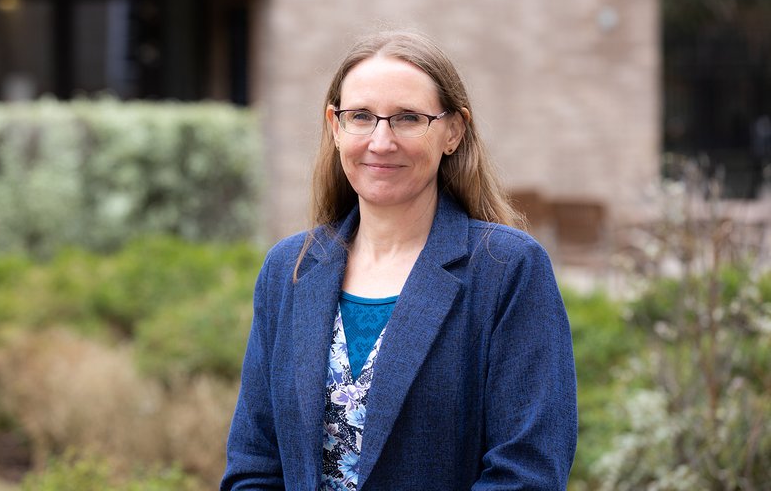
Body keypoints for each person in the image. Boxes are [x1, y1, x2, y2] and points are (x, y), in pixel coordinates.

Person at [221, 31, 577, 490]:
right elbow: (254, 465)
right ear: (335, 126)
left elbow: (527, 473)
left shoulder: (506, 269)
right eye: (361, 117)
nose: (381, 140)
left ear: (453, 131)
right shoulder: (289, 269)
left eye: (408, 118)